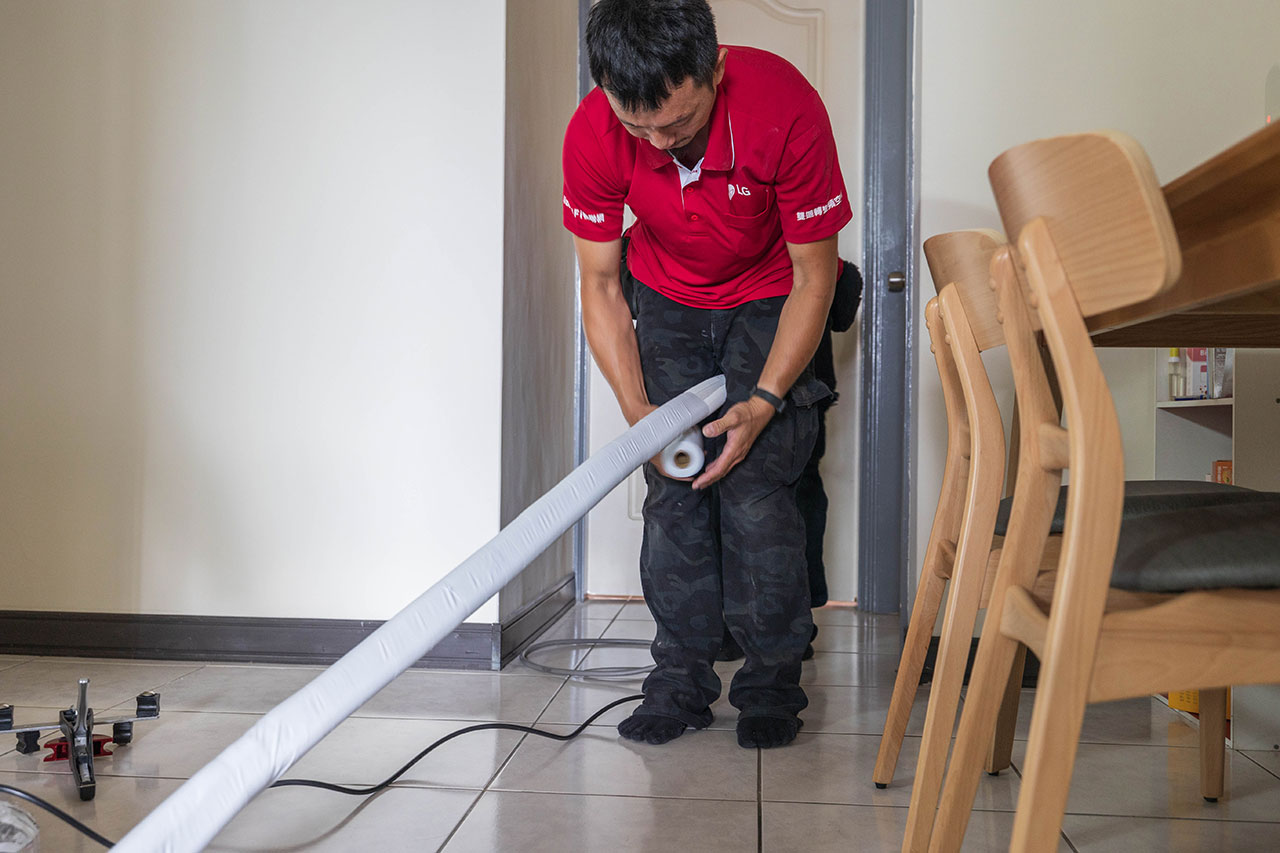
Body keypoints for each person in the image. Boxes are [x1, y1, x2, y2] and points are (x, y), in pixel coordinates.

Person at [563, 0, 853, 749]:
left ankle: (770, 681)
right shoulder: (594, 132)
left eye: (678, 124)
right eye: (639, 128)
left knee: (757, 485)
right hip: (664, 291)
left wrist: (764, 399)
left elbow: (814, 274)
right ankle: (681, 679)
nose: (658, 143)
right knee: (676, 482)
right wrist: (640, 414)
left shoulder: (784, 106)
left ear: (715, 72)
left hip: (768, 291)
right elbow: (599, 285)